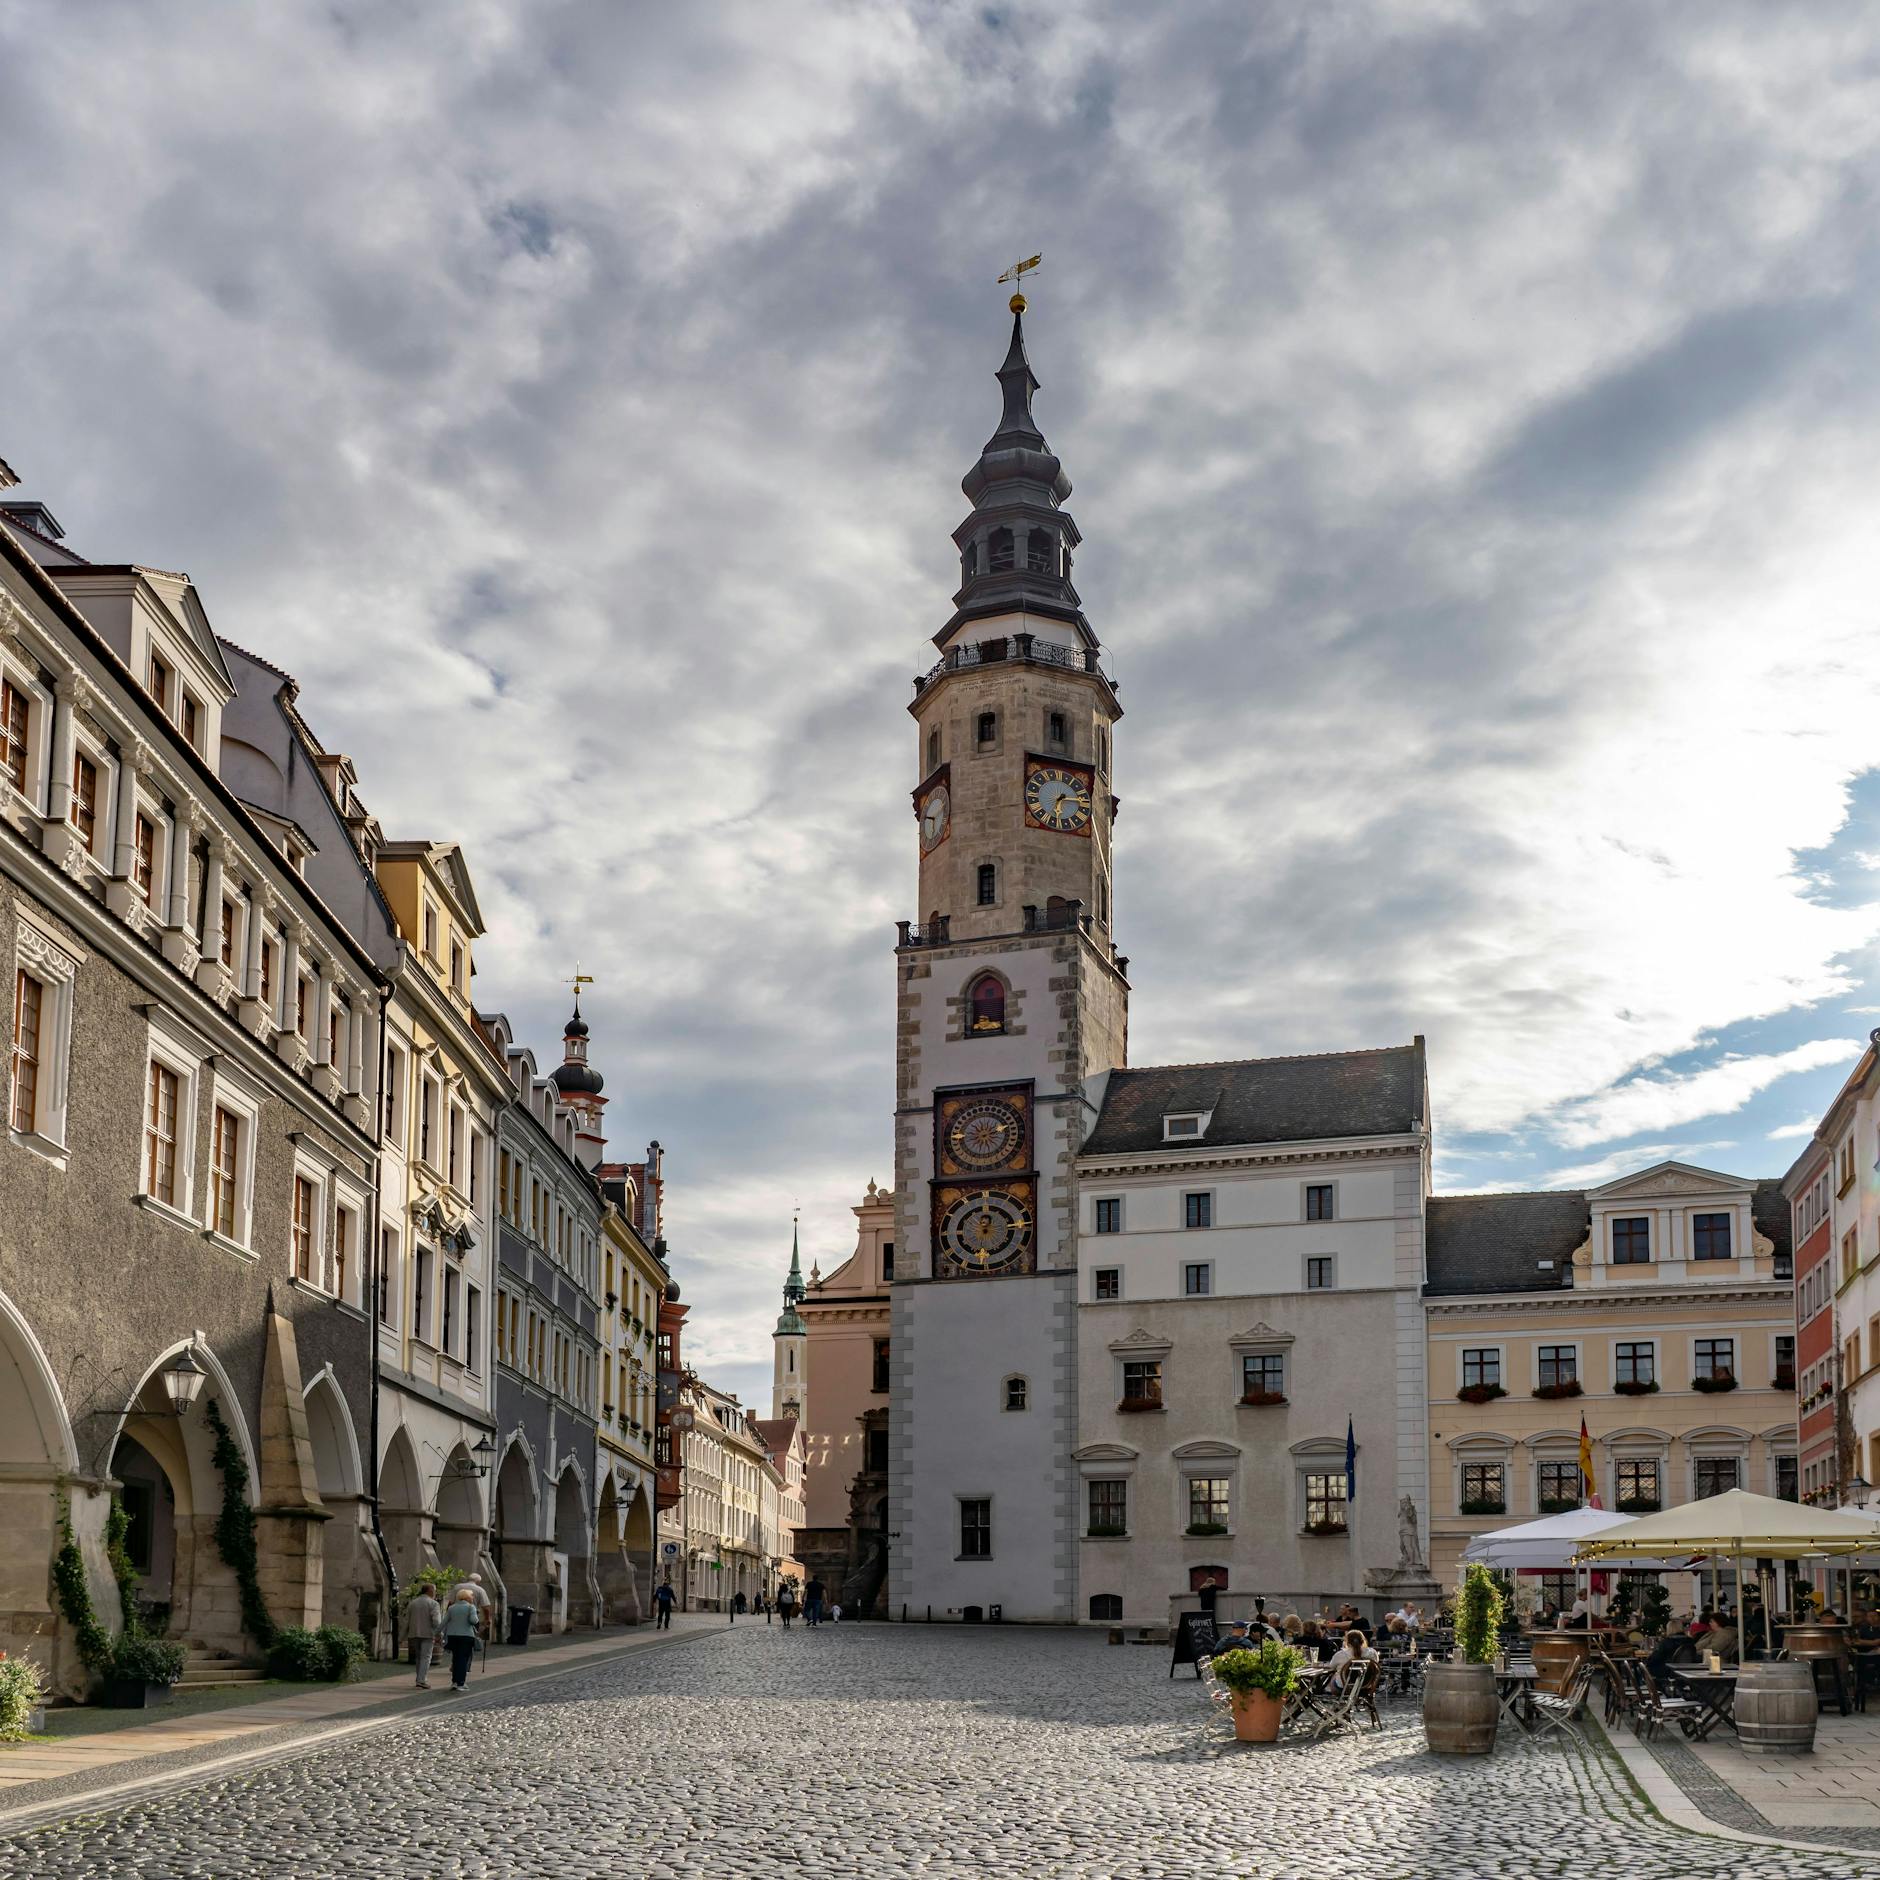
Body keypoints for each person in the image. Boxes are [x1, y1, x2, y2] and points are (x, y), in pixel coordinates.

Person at [443, 1589, 480, 1693]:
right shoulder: (470, 1607)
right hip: (466, 1636)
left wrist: (437, 1633)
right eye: (472, 1596)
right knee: (463, 1660)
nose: (473, 1597)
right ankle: (461, 1683)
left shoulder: (452, 1608)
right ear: (467, 1597)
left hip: (453, 1636)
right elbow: (473, 1620)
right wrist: (476, 1617)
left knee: (456, 1658)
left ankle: (454, 1682)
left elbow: (444, 1621)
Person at [407, 1585, 442, 1690]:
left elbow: (406, 1620)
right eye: (435, 1590)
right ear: (430, 1591)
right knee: (426, 1657)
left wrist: (402, 1636)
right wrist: (439, 1633)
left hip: (414, 1633)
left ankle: (419, 1678)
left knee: (418, 1657)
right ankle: (422, 1680)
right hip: (427, 1634)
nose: (435, 1593)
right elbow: (437, 1621)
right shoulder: (433, 1603)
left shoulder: (413, 1603)